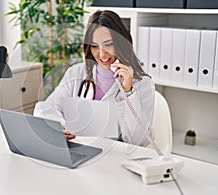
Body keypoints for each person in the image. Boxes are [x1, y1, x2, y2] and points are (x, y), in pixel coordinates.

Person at [33, 10, 155, 146]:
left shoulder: (143, 84)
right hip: (78, 150)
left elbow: (137, 141)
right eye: (94, 46)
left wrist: (128, 91)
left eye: (109, 44)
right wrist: (59, 128)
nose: (102, 54)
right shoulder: (76, 73)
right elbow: (46, 109)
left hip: (114, 157)